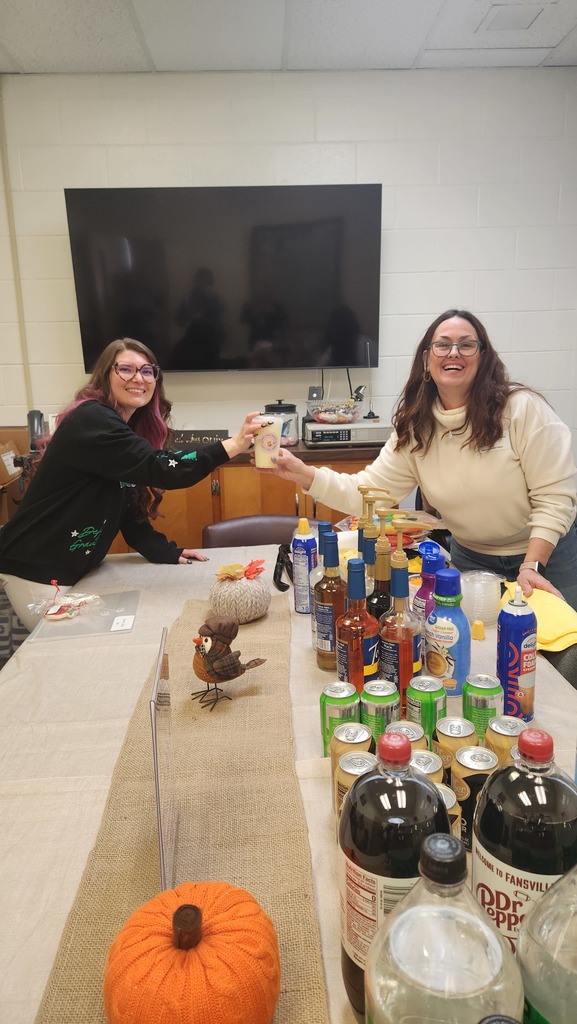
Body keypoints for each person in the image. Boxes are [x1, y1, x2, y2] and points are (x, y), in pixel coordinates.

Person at [261, 309, 577, 610]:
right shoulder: (415, 428)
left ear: (483, 358)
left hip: (547, 555)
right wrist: (304, 474)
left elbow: (554, 498)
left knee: (560, 657)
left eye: (467, 345)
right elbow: (370, 492)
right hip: (472, 559)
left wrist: (532, 565)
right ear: (426, 360)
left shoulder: (522, 409)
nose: (454, 352)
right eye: (442, 345)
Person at [0, 337, 261, 631]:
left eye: (147, 371)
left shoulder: (116, 427)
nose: (138, 378)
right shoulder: (92, 419)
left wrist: (165, 551)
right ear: (104, 376)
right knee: (66, 654)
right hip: (36, 570)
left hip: (71, 571)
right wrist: (235, 444)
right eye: (126, 369)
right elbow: (162, 468)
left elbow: (125, 505)